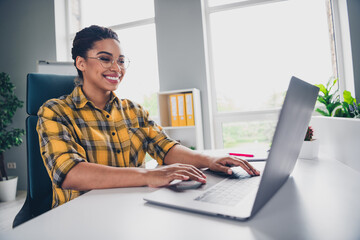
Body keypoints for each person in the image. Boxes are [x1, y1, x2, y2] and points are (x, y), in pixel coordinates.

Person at [37, 25, 260, 208]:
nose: (117, 68)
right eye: (106, 59)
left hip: (132, 209)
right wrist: (148, 175)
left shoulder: (134, 111)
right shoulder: (55, 111)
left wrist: (209, 160)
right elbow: (69, 173)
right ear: (81, 63)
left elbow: (166, 148)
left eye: (121, 60)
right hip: (79, 217)